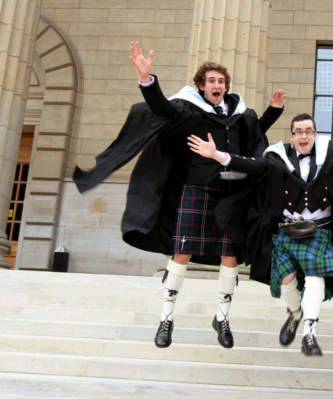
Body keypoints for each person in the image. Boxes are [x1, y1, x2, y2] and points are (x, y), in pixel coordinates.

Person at [73, 41, 286, 350]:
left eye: (221, 81)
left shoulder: (241, 113)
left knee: (230, 258)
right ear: (201, 86)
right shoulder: (188, 109)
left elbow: (252, 133)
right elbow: (161, 108)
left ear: (226, 87)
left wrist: (273, 112)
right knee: (181, 254)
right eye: (211, 81)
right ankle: (166, 318)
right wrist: (147, 80)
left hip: (232, 195)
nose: (217, 85)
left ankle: (222, 318)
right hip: (196, 190)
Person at [187, 113, 333, 356]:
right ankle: (295, 313)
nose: (303, 136)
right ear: (291, 135)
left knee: (314, 276)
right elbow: (251, 164)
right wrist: (217, 154)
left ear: (314, 134)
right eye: (298, 131)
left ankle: (309, 333)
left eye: (308, 131)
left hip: (319, 232)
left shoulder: (332, 155)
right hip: (287, 232)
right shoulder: (278, 159)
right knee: (287, 279)